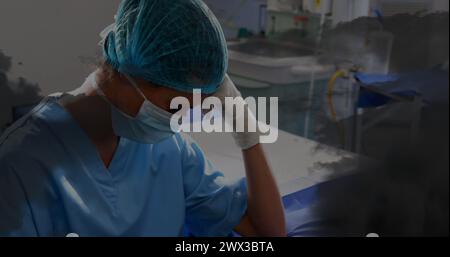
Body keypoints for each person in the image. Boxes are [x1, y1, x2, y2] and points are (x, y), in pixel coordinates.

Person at [0, 0, 285, 237]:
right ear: (126, 76)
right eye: (174, 109)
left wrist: (247, 132)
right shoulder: (21, 165)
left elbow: (266, 235)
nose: (179, 123)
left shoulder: (170, 149)